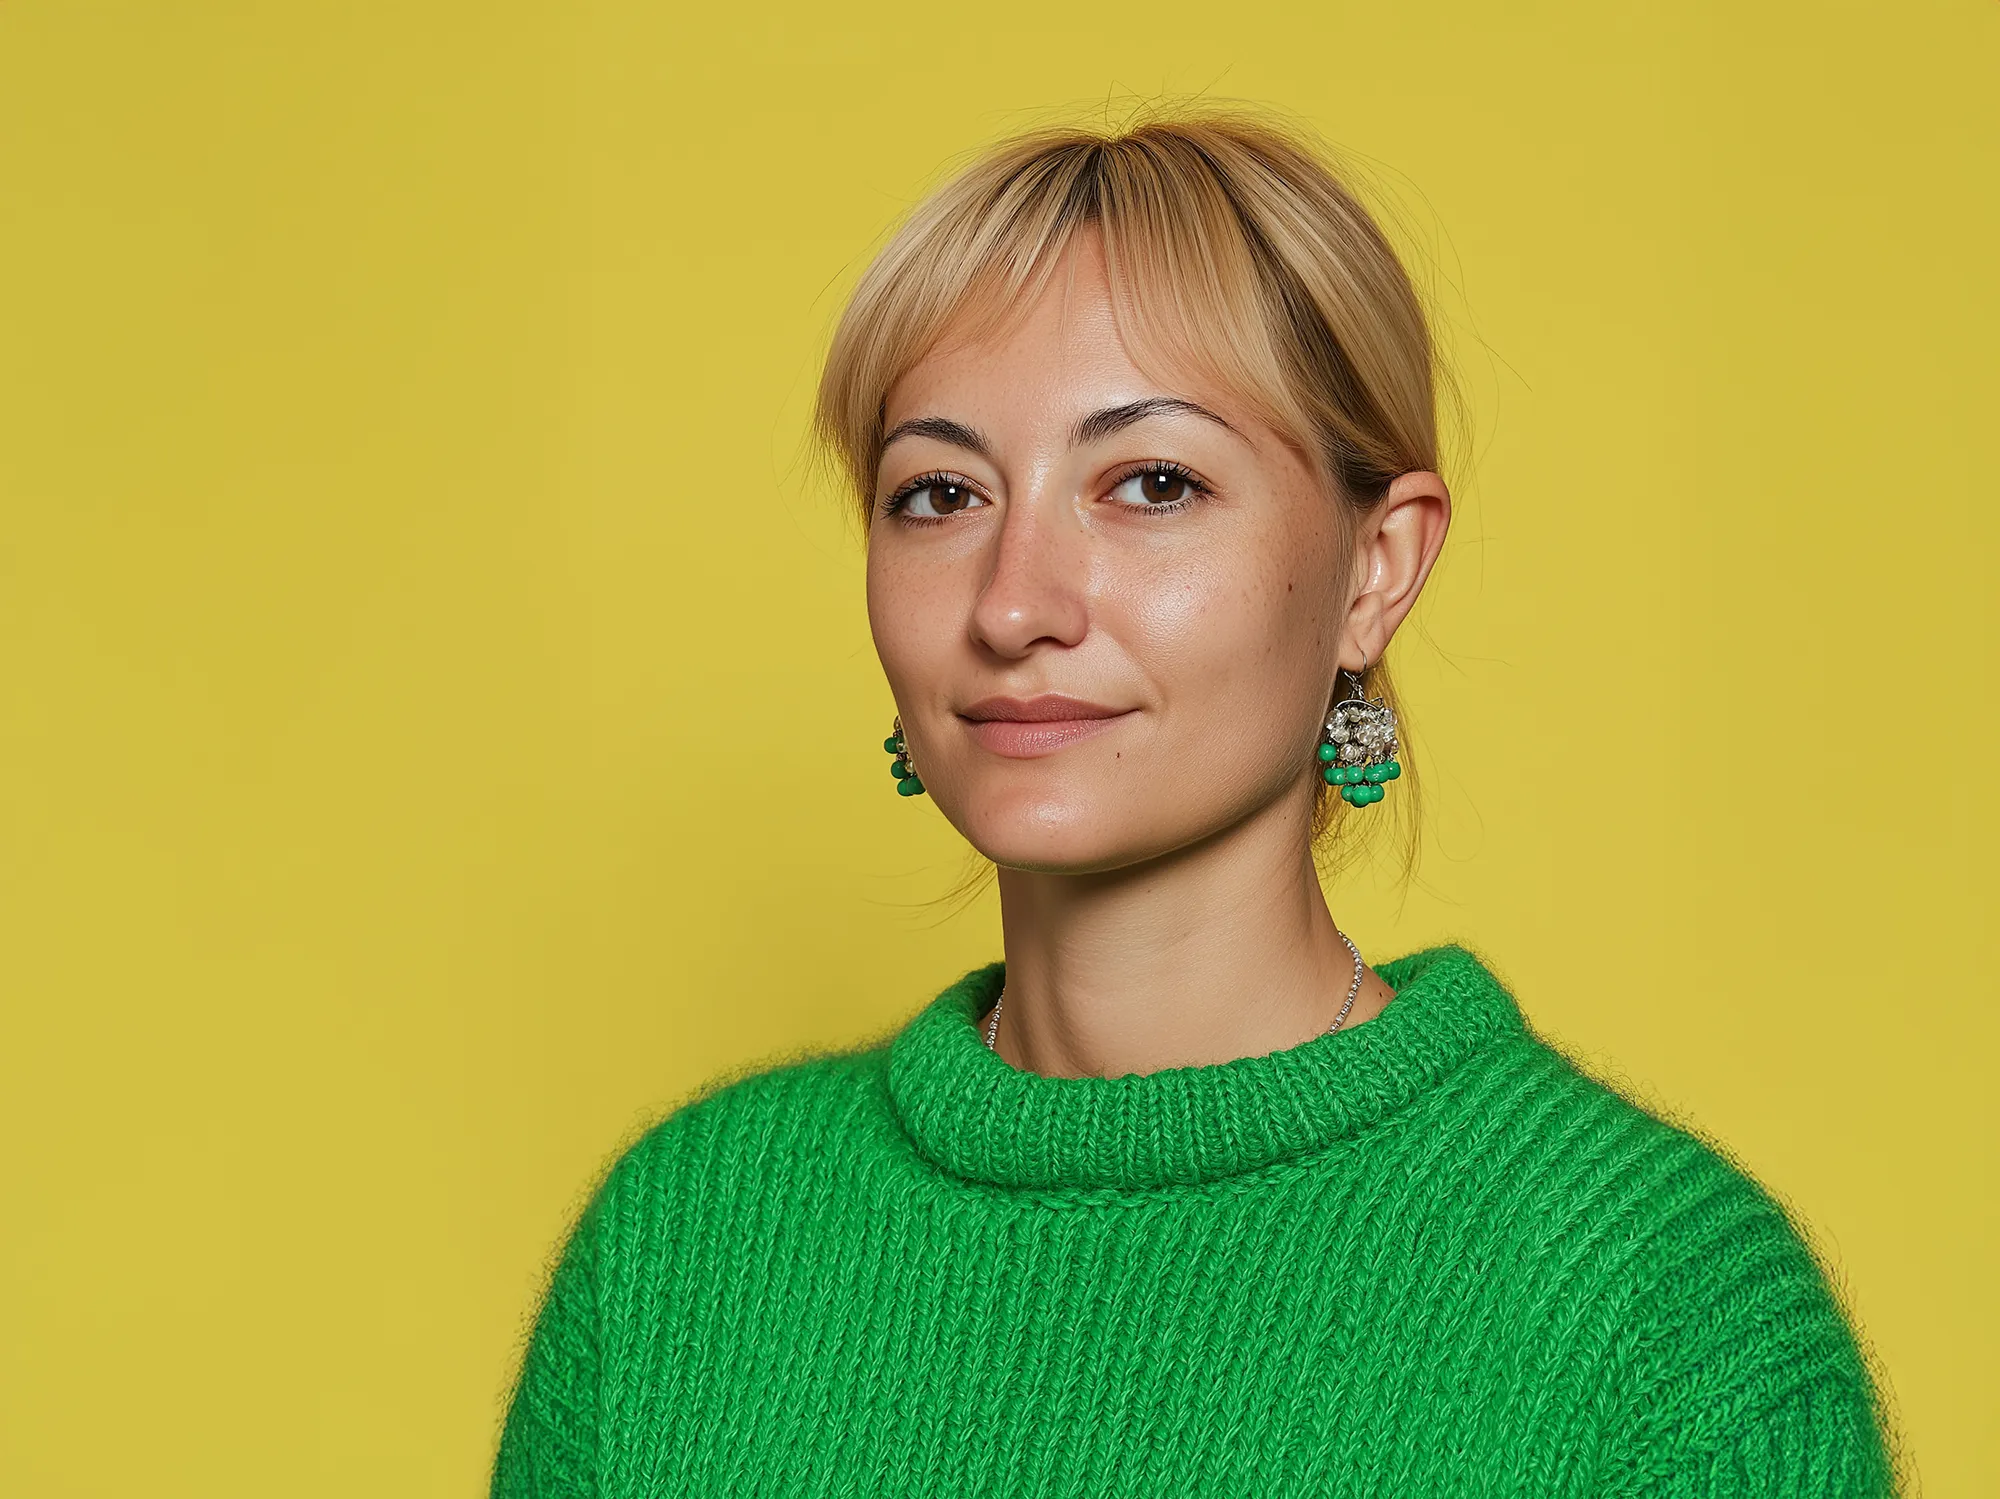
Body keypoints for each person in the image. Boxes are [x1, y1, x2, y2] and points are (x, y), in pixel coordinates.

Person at [492, 111, 1896, 1496]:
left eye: (1152, 482)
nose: (1015, 601)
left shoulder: (1667, 1324)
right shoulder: (680, 1247)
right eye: (937, 495)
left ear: (1375, 570)